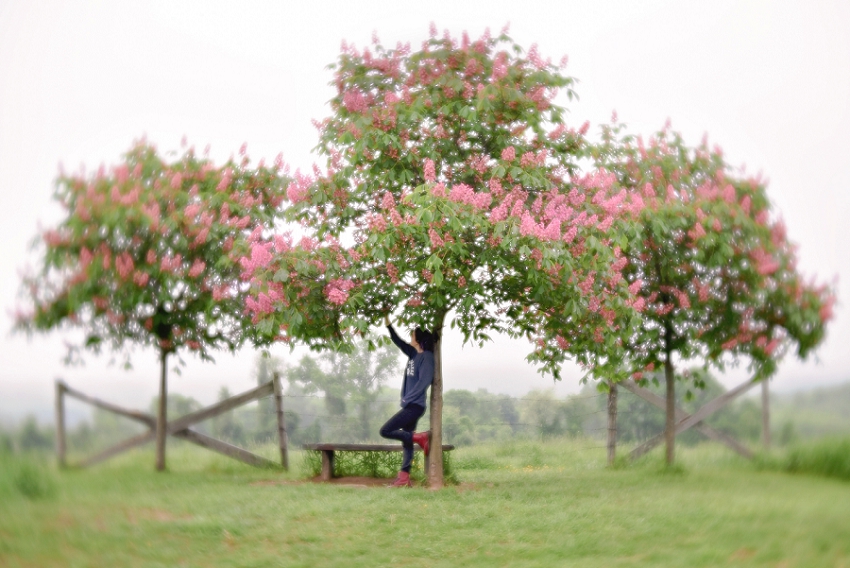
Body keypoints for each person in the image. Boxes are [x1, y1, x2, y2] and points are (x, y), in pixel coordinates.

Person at [380, 314, 437, 487]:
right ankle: (404, 477)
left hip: (414, 405)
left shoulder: (427, 357)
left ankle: (419, 437)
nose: (410, 337)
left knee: (386, 430)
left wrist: (408, 397)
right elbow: (397, 340)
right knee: (407, 442)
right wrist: (387, 321)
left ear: (418, 339)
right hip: (410, 403)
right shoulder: (413, 354)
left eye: (412, 334)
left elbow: (424, 381)